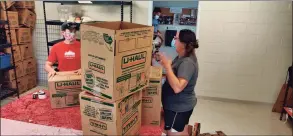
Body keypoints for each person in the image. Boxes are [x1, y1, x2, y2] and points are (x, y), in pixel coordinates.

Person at [159, 29, 199, 135]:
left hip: (178, 108)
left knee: (174, 133)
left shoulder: (187, 63)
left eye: (176, 38)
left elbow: (178, 87)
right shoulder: (181, 57)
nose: (173, 40)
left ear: (183, 44)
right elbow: (174, 72)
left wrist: (167, 66)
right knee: (177, 131)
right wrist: (165, 63)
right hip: (174, 106)